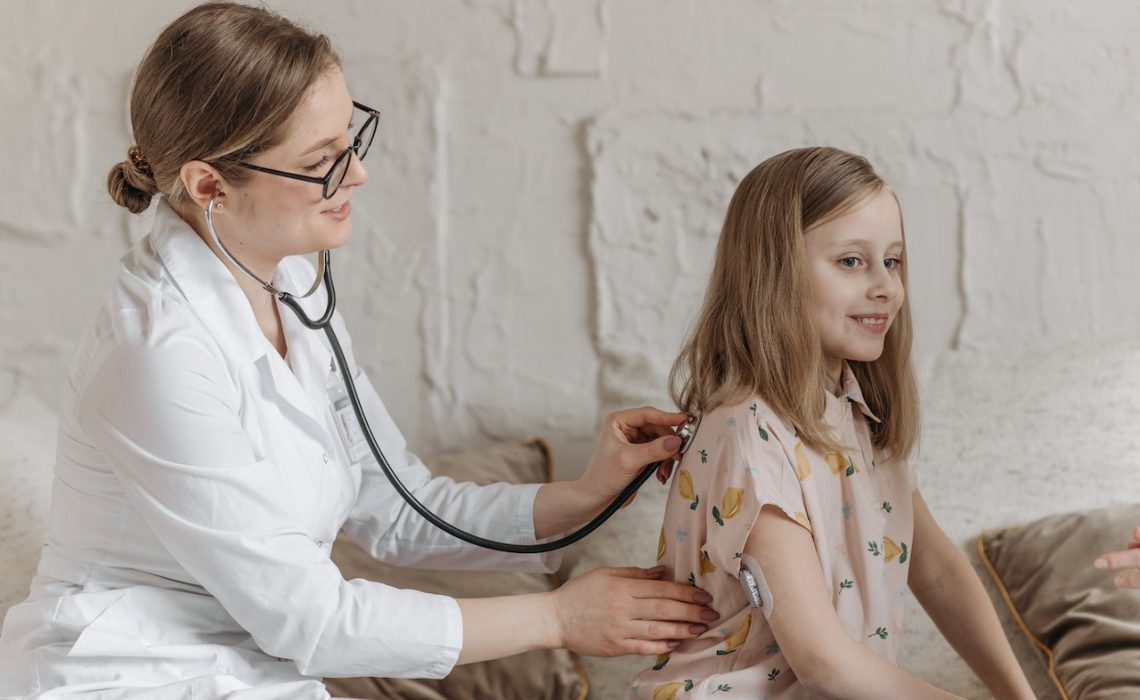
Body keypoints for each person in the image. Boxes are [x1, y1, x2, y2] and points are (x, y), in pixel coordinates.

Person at [0, 4, 718, 698]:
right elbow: (312, 620)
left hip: (249, 671)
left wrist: (585, 495)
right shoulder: (154, 356)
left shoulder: (290, 286)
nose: (358, 174)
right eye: (322, 160)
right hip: (130, 677)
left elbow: (402, 509)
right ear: (209, 185)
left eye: (351, 139)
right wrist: (558, 620)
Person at [631, 147, 1036, 699]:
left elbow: (938, 571)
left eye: (891, 261)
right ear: (773, 274)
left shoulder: (855, 414)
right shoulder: (748, 432)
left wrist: (1022, 696)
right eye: (852, 261)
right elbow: (824, 662)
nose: (886, 287)